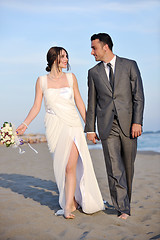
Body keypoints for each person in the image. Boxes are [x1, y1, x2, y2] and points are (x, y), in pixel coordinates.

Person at [16, 46, 104, 219]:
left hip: (72, 125)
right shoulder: (41, 81)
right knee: (61, 165)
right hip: (54, 127)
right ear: (53, 58)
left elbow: (80, 103)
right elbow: (36, 107)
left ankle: (68, 207)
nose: (66, 60)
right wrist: (24, 124)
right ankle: (72, 201)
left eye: (67, 57)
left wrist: (90, 128)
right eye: (63, 56)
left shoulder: (71, 78)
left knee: (69, 166)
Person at [85, 33, 144, 220]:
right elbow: (92, 103)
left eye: (94, 48)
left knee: (128, 166)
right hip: (106, 126)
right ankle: (123, 208)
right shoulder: (93, 73)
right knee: (113, 167)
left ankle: (125, 202)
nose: (92, 51)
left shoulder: (130, 65)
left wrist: (137, 121)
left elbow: (138, 96)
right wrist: (90, 128)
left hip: (129, 125)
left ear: (106, 47)